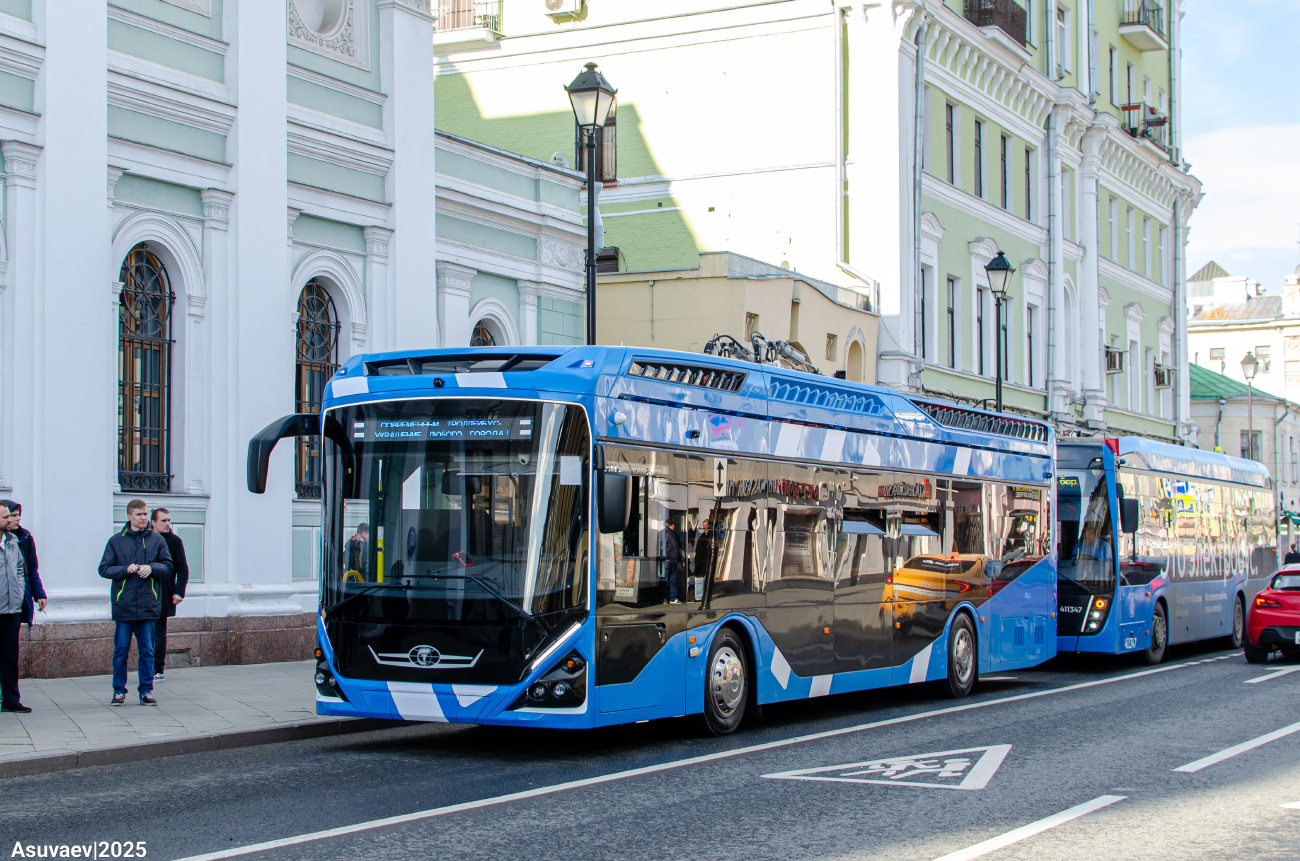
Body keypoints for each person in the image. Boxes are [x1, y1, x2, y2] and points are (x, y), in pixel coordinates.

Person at [98, 499, 171, 706]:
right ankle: (119, 691)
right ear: (129, 516)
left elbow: (167, 566)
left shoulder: (157, 540)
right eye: (139, 514)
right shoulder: (116, 541)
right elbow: (104, 569)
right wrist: (125, 569)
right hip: (124, 605)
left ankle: (146, 691)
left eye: (145, 514)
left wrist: (152, 568)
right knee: (121, 651)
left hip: (148, 605)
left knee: (147, 651)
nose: (143, 518)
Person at [0, 501, 43, 713]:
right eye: (5, 517)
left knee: (10, 657)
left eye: (11, 516)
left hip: (11, 610)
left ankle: (10, 699)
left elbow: (21, 568)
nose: (10, 519)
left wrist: (18, 593)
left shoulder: (12, 541)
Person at [149, 508, 189, 682]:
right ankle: (146, 668)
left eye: (169, 520)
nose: (167, 524)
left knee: (159, 633)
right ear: (153, 523)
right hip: (145, 593)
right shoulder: (145, 539)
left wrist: (179, 592)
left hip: (164, 593)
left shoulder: (174, 541)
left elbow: (182, 569)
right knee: (144, 633)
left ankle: (158, 670)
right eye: (163, 520)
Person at [663, 519, 681, 603]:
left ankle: (671, 597)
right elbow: (665, 546)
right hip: (670, 559)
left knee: (672, 580)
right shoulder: (667, 533)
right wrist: (667, 557)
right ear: (672, 525)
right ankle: (668, 597)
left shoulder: (669, 533)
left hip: (672, 559)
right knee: (669, 580)